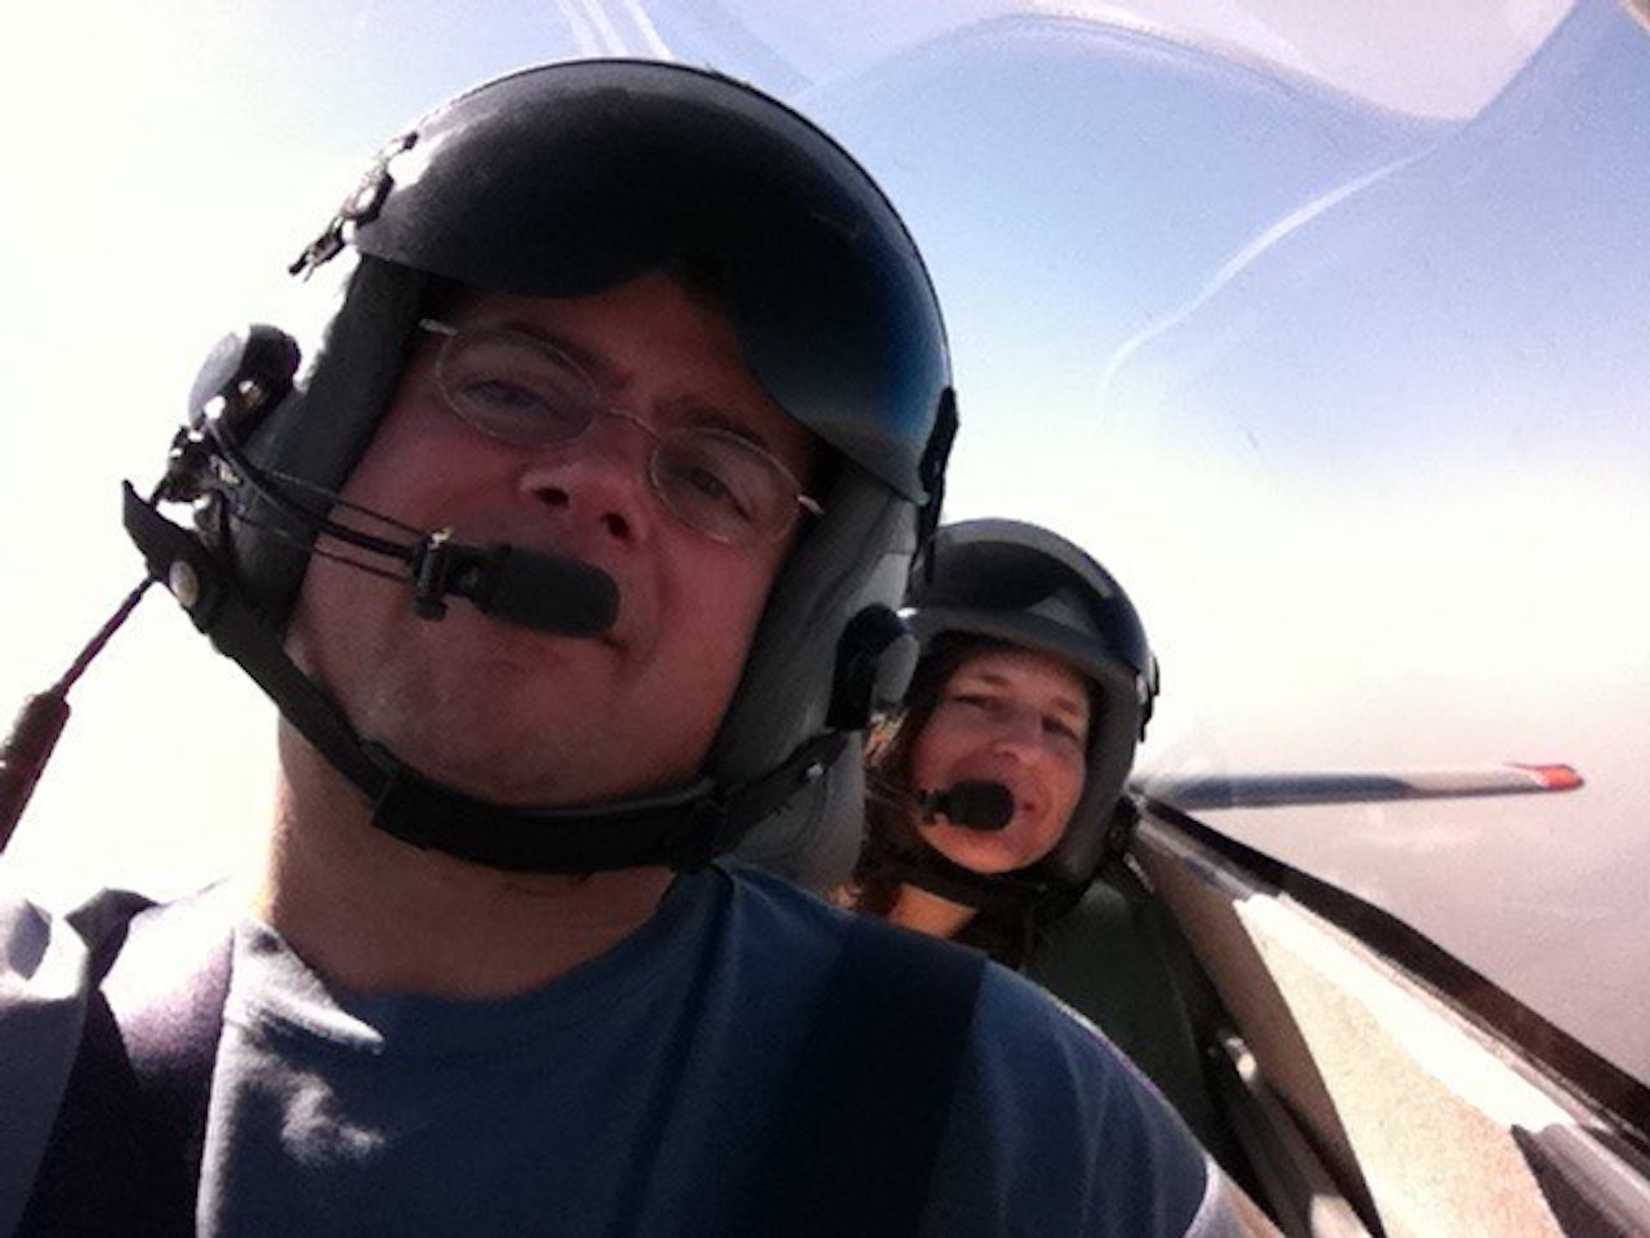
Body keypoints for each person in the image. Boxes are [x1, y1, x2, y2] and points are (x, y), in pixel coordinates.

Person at [0, 62, 1244, 1237]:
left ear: (810, 655)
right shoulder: (37, 1055)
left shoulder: (1030, 1135)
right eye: (511, 386)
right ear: (294, 446)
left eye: (712, 473)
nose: (593, 482)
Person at [843, 518, 1241, 1162]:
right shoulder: (763, 904)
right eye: (980, 699)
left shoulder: (1104, 959)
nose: (1025, 747)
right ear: (892, 721)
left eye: (1061, 727)